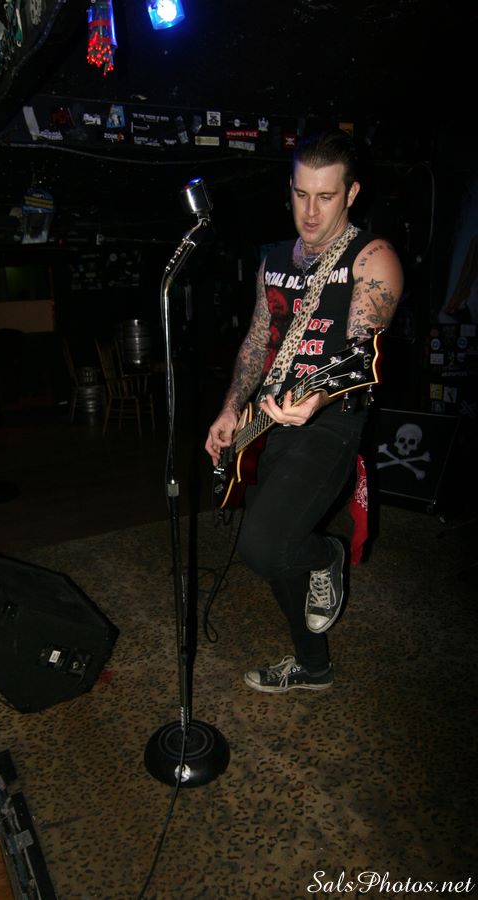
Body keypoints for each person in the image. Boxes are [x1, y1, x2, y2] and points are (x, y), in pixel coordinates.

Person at [205, 128, 403, 693]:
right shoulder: (273, 259)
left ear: (352, 193)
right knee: (276, 555)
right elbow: (257, 341)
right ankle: (313, 665)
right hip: (269, 419)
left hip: (331, 419)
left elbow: (359, 351)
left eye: (326, 196)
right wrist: (230, 410)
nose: (311, 212)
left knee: (265, 544)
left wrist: (320, 396)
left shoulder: (373, 258)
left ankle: (328, 556)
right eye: (301, 194)